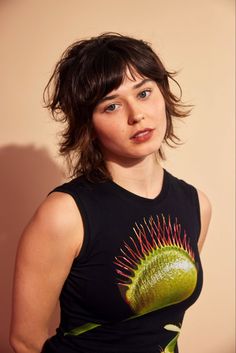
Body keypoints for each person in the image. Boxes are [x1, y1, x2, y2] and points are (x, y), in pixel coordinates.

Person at [10, 32, 211, 353]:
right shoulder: (65, 214)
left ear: (164, 94)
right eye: (112, 105)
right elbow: (25, 341)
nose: (137, 115)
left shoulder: (196, 204)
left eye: (144, 93)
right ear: (88, 124)